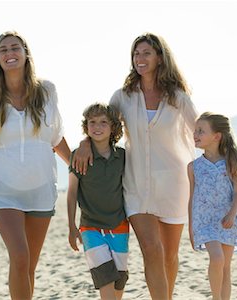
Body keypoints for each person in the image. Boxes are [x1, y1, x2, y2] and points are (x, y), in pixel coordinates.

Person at [72, 33, 198, 299]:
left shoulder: (177, 97)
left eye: (146, 54)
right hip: (136, 185)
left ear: (160, 58)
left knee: (170, 255)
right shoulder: (123, 96)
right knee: (152, 249)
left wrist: (224, 153)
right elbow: (102, 123)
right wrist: (84, 142)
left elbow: (199, 131)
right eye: (136, 54)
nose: (140, 59)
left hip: (173, 185)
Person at [0, 31, 71, 300]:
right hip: (2, 190)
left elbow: (56, 136)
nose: (9, 53)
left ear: (26, 54)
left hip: (41, 188)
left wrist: (76, 166)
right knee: (20, 256)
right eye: (3, 50)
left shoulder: (46, 91)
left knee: (28, 266)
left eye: (15, 47)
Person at [188, 112, 237, 300]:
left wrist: (232, 214)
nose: (196, 134)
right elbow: (191, 198)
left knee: (225, 266)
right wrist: (191, 228)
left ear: (216, 136)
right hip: (205, 221)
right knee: (216, 258)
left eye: (201, 131)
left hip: (227, 220)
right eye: (195, 130)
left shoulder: (233, 162)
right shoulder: (193, 167)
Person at [67, 103, 128, 300]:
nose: (97, 127)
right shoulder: (80, 156)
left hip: (119, 226)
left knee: (119, 279)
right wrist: (71, 226)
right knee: (104, 277)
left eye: (103, 122)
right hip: (91, 228)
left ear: (113, 128)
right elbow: (71, 192)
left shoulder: (122, 156)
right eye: (92, 122)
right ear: (86, 127)